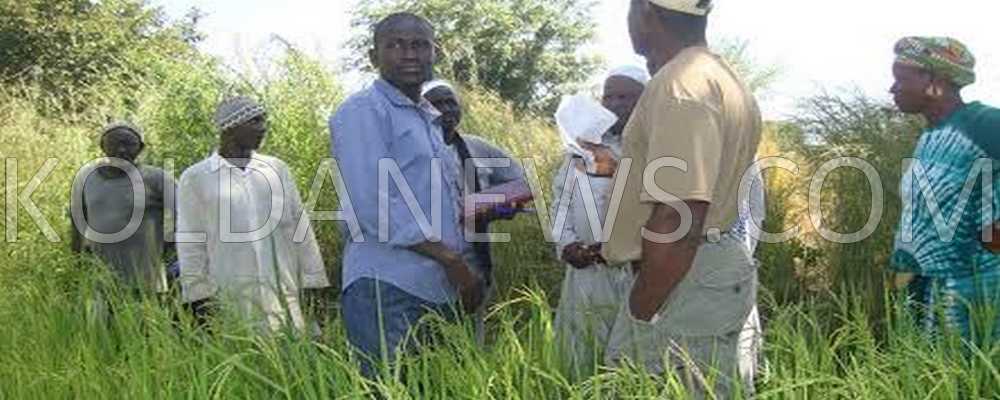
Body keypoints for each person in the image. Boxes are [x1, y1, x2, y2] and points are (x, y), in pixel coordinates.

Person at [598, 0, 764, 397]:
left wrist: (641, 309)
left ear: (646, 13)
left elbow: (679, 215)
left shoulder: (682, 86)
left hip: (679, 281)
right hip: (699, 272)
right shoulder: (720, 76)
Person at [330, 13, 482, 377]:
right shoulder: (363, 111)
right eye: (395, 45)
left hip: (438, 288)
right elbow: (374, 205)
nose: (409, 54)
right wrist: (455, 263)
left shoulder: (427, 118)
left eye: (419, 45)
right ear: (373, 56)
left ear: (434, 52)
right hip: (388, 287)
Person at [177, 96, 330, 335]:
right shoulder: (196, 177)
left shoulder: (276, 169)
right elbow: (190, 242)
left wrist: (314, 281)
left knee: (297, 358)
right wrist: (198, 297)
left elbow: (301, 229)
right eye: (255, 121)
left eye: (263, 121)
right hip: (230, 293)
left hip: (285, 291)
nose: (263, 128)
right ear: (231, 127)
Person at [889, 36, 1000, 344]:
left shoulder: (984, 124)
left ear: (935, 81)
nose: (893, 88)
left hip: (975, 296)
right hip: (925, 290)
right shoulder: (929, 138)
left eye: (900, 79)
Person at [551, 65, 649, 377]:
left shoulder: (654, 148)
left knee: (631, 360)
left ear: (645, 101)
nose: (617, 104)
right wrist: (567, 246)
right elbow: (559, 204)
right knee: (579, 359)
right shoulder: (582, 150)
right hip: (586, 274)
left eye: (626, 96)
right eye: (610, 96)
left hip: (636, 273)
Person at [422, 79, 526, 344]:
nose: (446, 109)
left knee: (470, 338)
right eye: (436, 104)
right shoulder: (412, 149)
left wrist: (495, 206)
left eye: (450, 102)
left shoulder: (476, 147)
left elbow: (521, 182)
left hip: (472, 258)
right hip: (425, 258)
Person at [70, 121, 175, 306]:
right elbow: (77, 221)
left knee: (145, 332)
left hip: (147, 281)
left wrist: (169, 245)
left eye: (129, 144)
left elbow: (186, 212)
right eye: (114, 144)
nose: (121, 150)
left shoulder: (157, 178)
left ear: (141, 148)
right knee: (102, 332)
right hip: (101, 282)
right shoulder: (86, 178)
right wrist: (78, 261)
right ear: (103, 146)